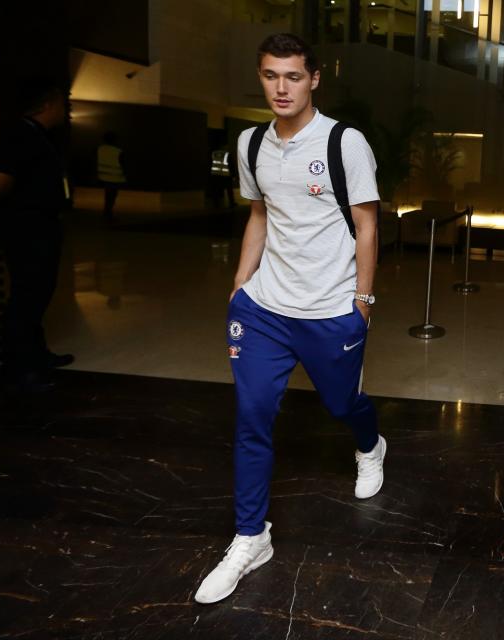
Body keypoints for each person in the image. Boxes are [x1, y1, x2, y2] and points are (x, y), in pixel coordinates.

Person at [194, 33, 385, 604]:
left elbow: (367, 225)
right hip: (264, 311)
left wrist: (364, 302)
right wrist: (238, 285)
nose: (281, 87)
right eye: (271, 75)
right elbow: (259, 213)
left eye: (293, 76)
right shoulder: (252, 144)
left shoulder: (344, 144)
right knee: (252, 417)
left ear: (314, 78)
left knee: (340, 403)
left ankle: (370, 446)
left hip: (330, 309)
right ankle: (252, 537)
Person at [0, 79, 75, 392]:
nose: (65, 110)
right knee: (27, 296)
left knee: (39, 292)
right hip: (27, 231)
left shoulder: (40, 137)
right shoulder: (21, 135)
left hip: (42, 226)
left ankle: (37, 355)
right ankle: (20, 369)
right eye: (62, 103)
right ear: (48, 104)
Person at [96, 132, 125, 223]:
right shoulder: (118, 151)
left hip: (103, 176)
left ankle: (107, 213)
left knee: (108, 196)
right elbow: (123, 165)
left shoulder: (99, 149)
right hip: (115, 178)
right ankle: (108, 214)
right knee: (111, 197)